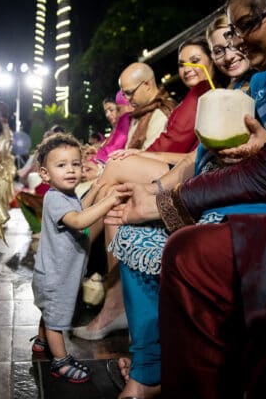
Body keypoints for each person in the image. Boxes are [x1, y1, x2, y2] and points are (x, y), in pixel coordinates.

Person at [108, 0, 266, 397]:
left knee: (187, 247)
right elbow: (202, 156)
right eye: (227, 38)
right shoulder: (255, 82)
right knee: (131, 229)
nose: (236, 44)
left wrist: (167, 199)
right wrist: (158, 192)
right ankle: (148, 368)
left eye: (244, 28)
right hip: (232, 189)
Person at [72, 37, 220, 343]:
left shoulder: (211, 96)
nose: (187, 67)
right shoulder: (194, 98)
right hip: (183, 169)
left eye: (196, 59)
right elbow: (183, 151)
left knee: (114, 173)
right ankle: (101, 290)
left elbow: (192, 154)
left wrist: (140, 157)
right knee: (113, 197)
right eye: (182, 62)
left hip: (199, 177)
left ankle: (72, 256)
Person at [30, 133, 126, 383]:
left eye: (75, 164)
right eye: (61, 165)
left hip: (56, 273)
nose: (71, 170)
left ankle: (41, 343)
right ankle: (59, 361)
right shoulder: (55, 199)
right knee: (56, 321)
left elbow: (81, 206)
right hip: (56, 277)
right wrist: (110, 200)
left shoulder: (67, 195)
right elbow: (80, 220)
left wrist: (96, 189)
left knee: (50, 312)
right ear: (45, 174)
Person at [95, 90, 133, 163]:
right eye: (106, 111)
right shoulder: (115, 130)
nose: (107, 115)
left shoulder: (125, 123)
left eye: (111, 110)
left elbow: (112, 151)